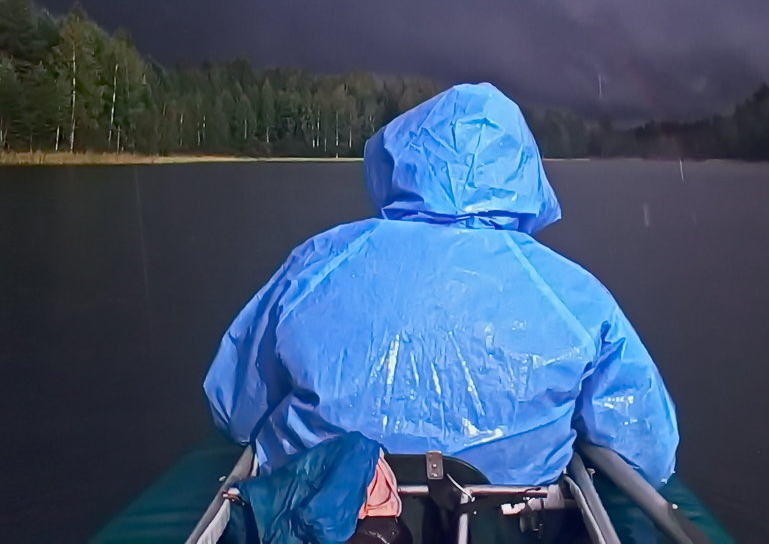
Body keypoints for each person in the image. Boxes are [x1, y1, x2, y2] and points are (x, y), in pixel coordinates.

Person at [204, 82, 678, 535]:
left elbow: (234, 410)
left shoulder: (321, 259)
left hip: (324, 525)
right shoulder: (572, 292)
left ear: (401, 161)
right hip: (504, 529)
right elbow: (646, 455)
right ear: (524, 172)